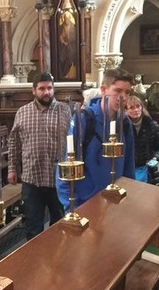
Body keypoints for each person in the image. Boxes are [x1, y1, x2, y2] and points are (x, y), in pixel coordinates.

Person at [55, 68, 135, 207]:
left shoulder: (125, 123)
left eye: (127, 92)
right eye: (117, 91)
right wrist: (70, 207)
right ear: (103, 90)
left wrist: (128, 199)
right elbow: (66, 167)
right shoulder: (85, 119)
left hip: (116, 201)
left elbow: (129, 165)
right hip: (87, 203)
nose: (122, 97)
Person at [7, 72, 70, 239]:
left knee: (60, 226)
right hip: (32, 177)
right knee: (33, 228)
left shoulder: (65, 111)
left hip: (58, 178)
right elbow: (14, 143)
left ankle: (58, 262)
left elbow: (74, 140)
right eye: (42, 88)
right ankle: (34, 264)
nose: (46, 92)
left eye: (49, 88)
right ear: (33, 90)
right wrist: (12, 168)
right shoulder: (22, 112)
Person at [126, 94, 159, 185]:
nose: (136, 110)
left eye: (138, 106)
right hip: (128, 170)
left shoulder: (152, 125)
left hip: (148, 170)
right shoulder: (122, 127)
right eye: (131, 107)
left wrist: (155, 158)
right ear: (125, 111)